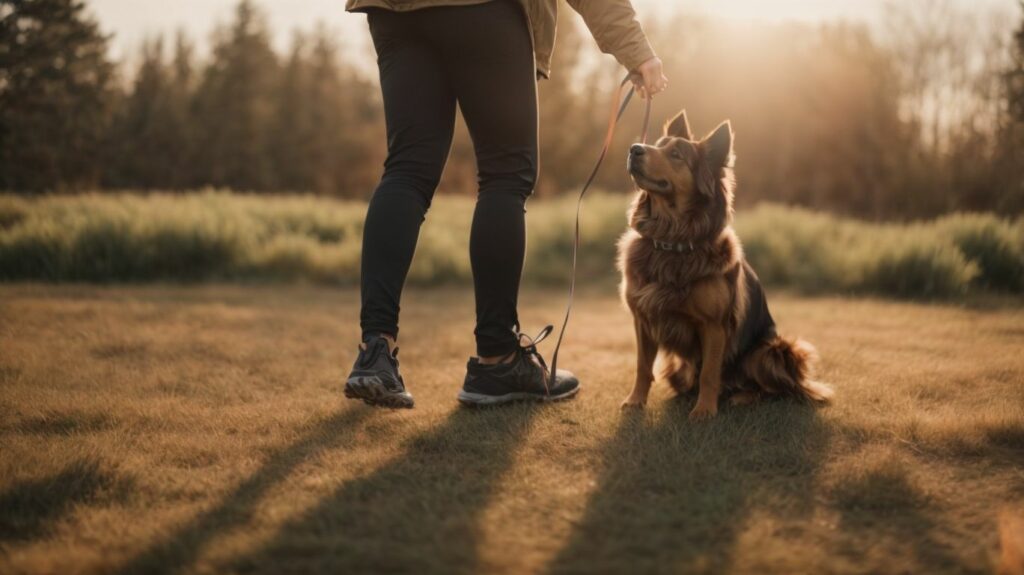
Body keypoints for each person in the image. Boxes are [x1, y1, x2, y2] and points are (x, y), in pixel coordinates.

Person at [343, 0, 668, 409]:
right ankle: (496, 359)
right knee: (505, 176)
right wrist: (637, 50)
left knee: (406, 171)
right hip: (484, 12)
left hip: (395, 11)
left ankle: (376, 350)